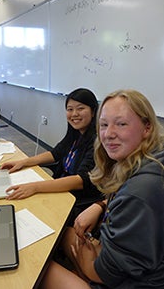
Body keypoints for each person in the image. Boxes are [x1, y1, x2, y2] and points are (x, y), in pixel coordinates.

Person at [39, 89, 164, 289]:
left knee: (39, 267)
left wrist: (87, 264)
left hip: (134, 282)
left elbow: (104, 275)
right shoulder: (151, 159)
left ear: (147, 127)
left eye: (121, 124)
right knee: (62, 236)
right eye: (104, 125)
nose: (108, 134)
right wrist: (101, 205)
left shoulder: (140, 190)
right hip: (126, 261)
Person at [1, 88, 103, 212]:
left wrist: (35, 187)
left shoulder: (97, 141)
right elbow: (55, 153)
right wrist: (23, 162)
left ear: (93, 111)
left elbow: (81, 180)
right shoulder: (75, 134)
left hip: (77, 198)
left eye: (80, 108)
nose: (74, 114)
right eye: (70, 109)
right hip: (62, 187)